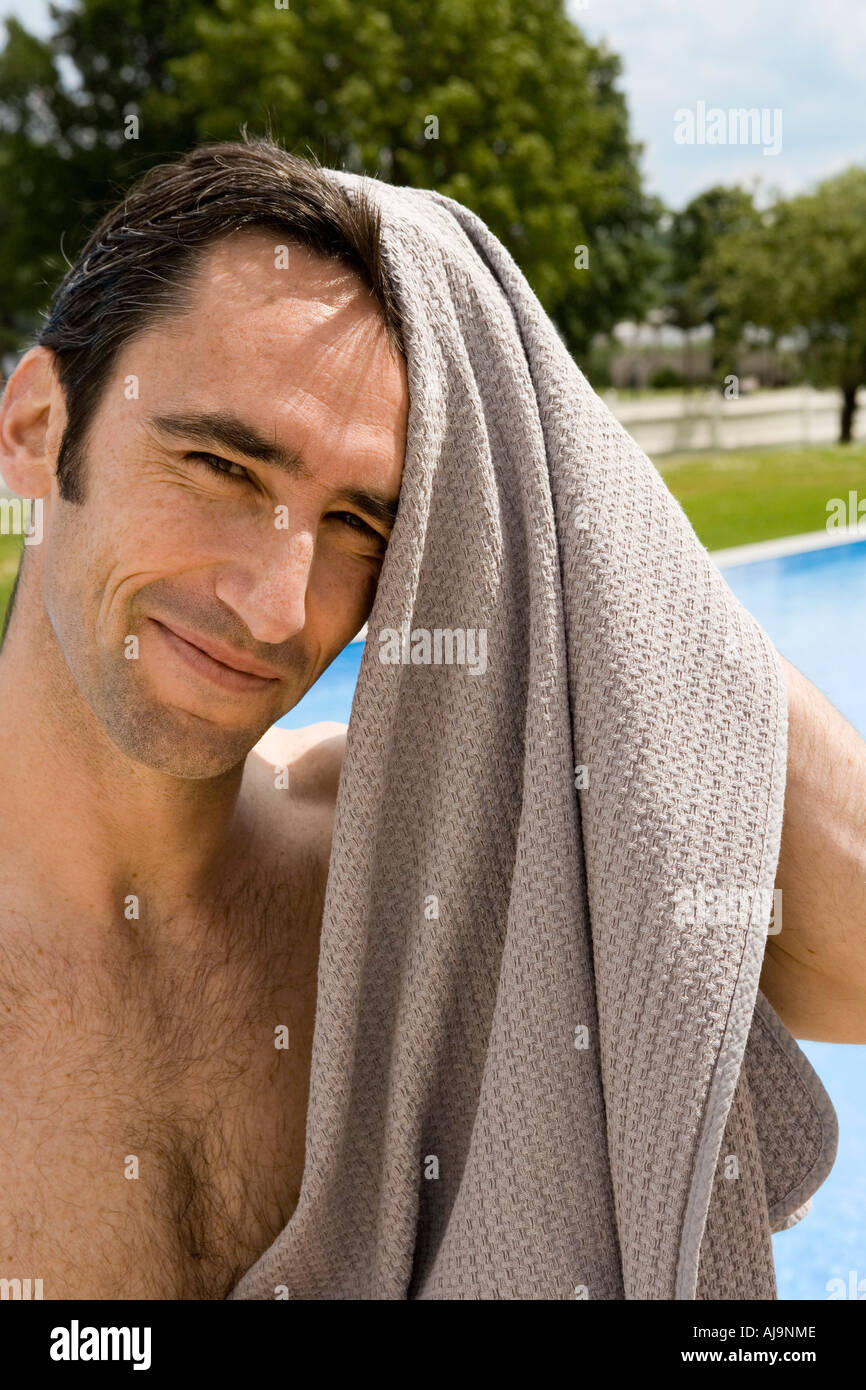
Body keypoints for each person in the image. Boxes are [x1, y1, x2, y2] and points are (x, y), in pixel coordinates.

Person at [0, 136, 862, 1301]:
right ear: (36, 429)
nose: (277, 602)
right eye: (217, 464)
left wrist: (555, 455)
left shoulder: (424, 870)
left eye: (359, 521)